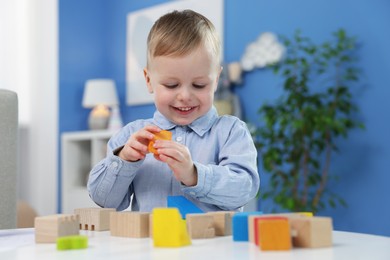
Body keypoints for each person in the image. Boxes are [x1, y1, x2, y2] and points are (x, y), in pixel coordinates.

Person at [87, 9, 260, 212]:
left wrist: (194, 174)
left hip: (211, 243)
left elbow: (244, 190)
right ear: (149, 80)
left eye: (199, 85)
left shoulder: (231, 131)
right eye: (171, 85)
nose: (185, 96)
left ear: (216, 80)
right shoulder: (130, 137)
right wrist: (124, 160)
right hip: (149, 244)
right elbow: (103, 200)